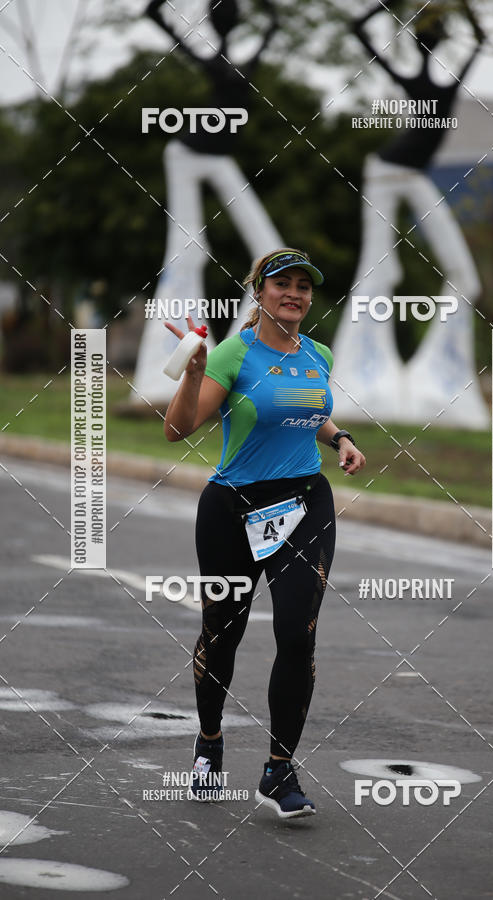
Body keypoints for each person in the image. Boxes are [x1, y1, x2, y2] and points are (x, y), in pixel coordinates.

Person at [163, 248, 366, 819]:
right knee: (221, 633)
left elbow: (304, 409)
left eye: (304, 286)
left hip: (304, 501)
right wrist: (196, 374)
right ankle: (208, 745)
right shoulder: (234, 352)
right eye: (283, 284)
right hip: (232, 507)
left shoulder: (318, 353)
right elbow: (177, 429)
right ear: (260, 292)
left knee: (297, 635)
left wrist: (339, 438)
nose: (295, 294)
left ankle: (279, 771)